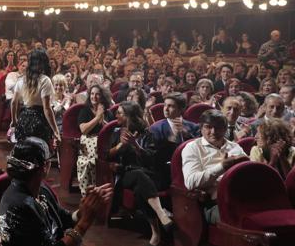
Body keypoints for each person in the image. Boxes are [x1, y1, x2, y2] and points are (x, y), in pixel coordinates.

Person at [0, 137, 113, 246]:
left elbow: (62, 217)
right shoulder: (18, 206)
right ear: (44, 167)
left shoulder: (41, 189)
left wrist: (81, 212)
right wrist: (84, 224)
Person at [107, 101, 173, 246]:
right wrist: (120, 146)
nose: (115, 115)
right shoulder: (117, 132)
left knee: (139, 189)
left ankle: (156, 232)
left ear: (130, 116)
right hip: (126, 173)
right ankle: (162, 214)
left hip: (149, 173)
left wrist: (136, 146)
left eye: (120, 113)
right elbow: (107, 156)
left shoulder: (147, 134)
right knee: (137, 174)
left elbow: (153, 159)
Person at [182, 110, 248, 224]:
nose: (213, 132)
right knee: (241, 220)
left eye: (218, 127)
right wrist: (222, 166)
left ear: (225, 129)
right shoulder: (192, 148)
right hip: (215, 203)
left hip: (242, 196)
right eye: (208, 127)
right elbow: (190, 182)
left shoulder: (235, 147)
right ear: (201, 128)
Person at [11, 48, 59, 146]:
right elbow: (47, 108)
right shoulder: (45, 80)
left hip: (24, 118)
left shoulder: (21, 80)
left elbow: (13, 102)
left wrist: (14, 120)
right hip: (39, 120)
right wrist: (56, 130)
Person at [76, 84, 114, 195]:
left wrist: (102, 119)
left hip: (104, 142)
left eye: (97, 94)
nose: (94, 97)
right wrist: (97, 118)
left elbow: (110, 130)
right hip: (88, 141)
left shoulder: (108, 112)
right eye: (92, 94)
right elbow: (83, 130)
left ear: (102, 97)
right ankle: (89, 192)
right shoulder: (85, 110)